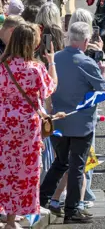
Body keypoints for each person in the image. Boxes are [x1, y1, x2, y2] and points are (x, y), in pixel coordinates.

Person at [40, 22, 105, 223]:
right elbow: (103, 90)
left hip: (58, 122)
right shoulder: (87, 63)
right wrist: (104, 71)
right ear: (86, 41)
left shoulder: (55, 59)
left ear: (68, 38)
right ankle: (71, 210)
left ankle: (41, 199)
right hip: (81, 123)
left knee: (60, 162)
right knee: (77, 165)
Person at [0, 24, 58, 228]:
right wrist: (51, 63)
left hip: (4, 122)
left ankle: (6, 216)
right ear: (31, 44)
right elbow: (50, 88)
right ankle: (13, 219)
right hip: (27, 126)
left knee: (4, 168)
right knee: (24, 170)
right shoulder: (35, 68)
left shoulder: (2, 66)